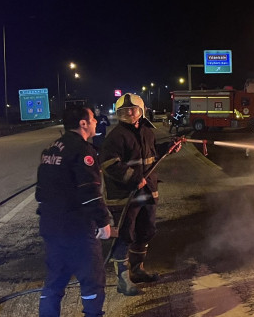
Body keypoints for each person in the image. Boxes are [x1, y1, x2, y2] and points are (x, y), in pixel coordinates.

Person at [99, 93, 181, 296]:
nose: (129, 112)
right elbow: (109, 164)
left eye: (133, 109)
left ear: (141, 110)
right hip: (124, 196)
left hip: (146, 191)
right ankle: (123, 280)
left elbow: (150, 156)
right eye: (124, 111)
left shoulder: (147, 132)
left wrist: (168, 147)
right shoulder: (115, 137)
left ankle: (137, 270)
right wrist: (133, 178)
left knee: (147, 230)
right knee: (125, 235)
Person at [36, 105, 112, 317]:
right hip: (77, 229)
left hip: (52, 227)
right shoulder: (82, 150)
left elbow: (40, 191)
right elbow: (90, 192)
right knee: (92, 281)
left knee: (54, 282)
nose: (96, 122)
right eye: (93, 119)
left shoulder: (52, 149)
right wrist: (103, 222)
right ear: (83, 123)